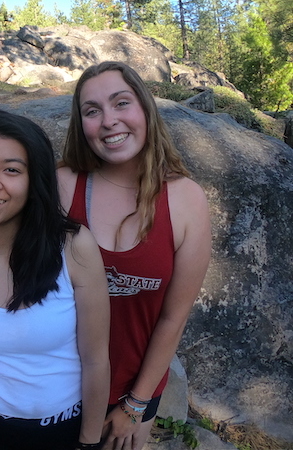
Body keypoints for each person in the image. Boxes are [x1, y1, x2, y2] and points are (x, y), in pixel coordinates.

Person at [57, 61, 212, 450]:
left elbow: (173, 318)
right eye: (92, 111)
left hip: (135, 392)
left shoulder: (185, 200)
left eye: (121, 103)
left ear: (145, 108)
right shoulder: (62, 185)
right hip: (60, 386)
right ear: (82, 125)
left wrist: (135, 406)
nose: (109, 121)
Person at [0, 110, 110, 450]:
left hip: (63, 430)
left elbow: (96, 359)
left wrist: (89, 443)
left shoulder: (74, 248)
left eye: (11, 169)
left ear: (35, 181)